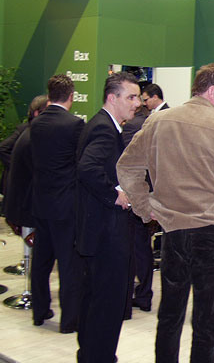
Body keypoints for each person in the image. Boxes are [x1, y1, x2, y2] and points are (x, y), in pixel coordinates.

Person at [116, 62, 214, 363]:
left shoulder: (158, 121)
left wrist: (146, 208)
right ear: (213, 92)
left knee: (170, 314)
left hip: (172, 231)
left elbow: (127, 167)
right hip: (212, 232)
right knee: (206, 320)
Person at [75, 71, 142, 363]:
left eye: (138, 97)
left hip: (97, 232)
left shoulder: (102, 125)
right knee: (107, 303)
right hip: (106, 235)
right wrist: (115, 194)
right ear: (112, 98)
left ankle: (90, 354)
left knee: (94, 299)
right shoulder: (104, 129)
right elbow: (88, 168)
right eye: (131, 97)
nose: (137, 103)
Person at [30, 74, 85, 333]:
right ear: (71, 96)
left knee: (41, 262)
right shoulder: (74, 125)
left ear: (49, 95)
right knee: (68, 264)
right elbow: (80, 163)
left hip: (41, 203)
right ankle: (69, 321)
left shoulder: (36, 123)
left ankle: (39, 312)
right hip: (65, 205)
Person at [122, 103, 157, 316]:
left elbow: (128, 163)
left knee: (135, 249)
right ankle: (144, 295)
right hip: (151, 192)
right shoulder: (152, 125)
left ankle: (131, 298)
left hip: (135, 195)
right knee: (144, 248)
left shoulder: (130, 127)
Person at [3, 95, 48, 231]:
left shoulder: (32, 132)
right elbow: (2, 149)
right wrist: (16, 165)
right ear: (37, 113)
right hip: (24, 201)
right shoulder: (29, 133)